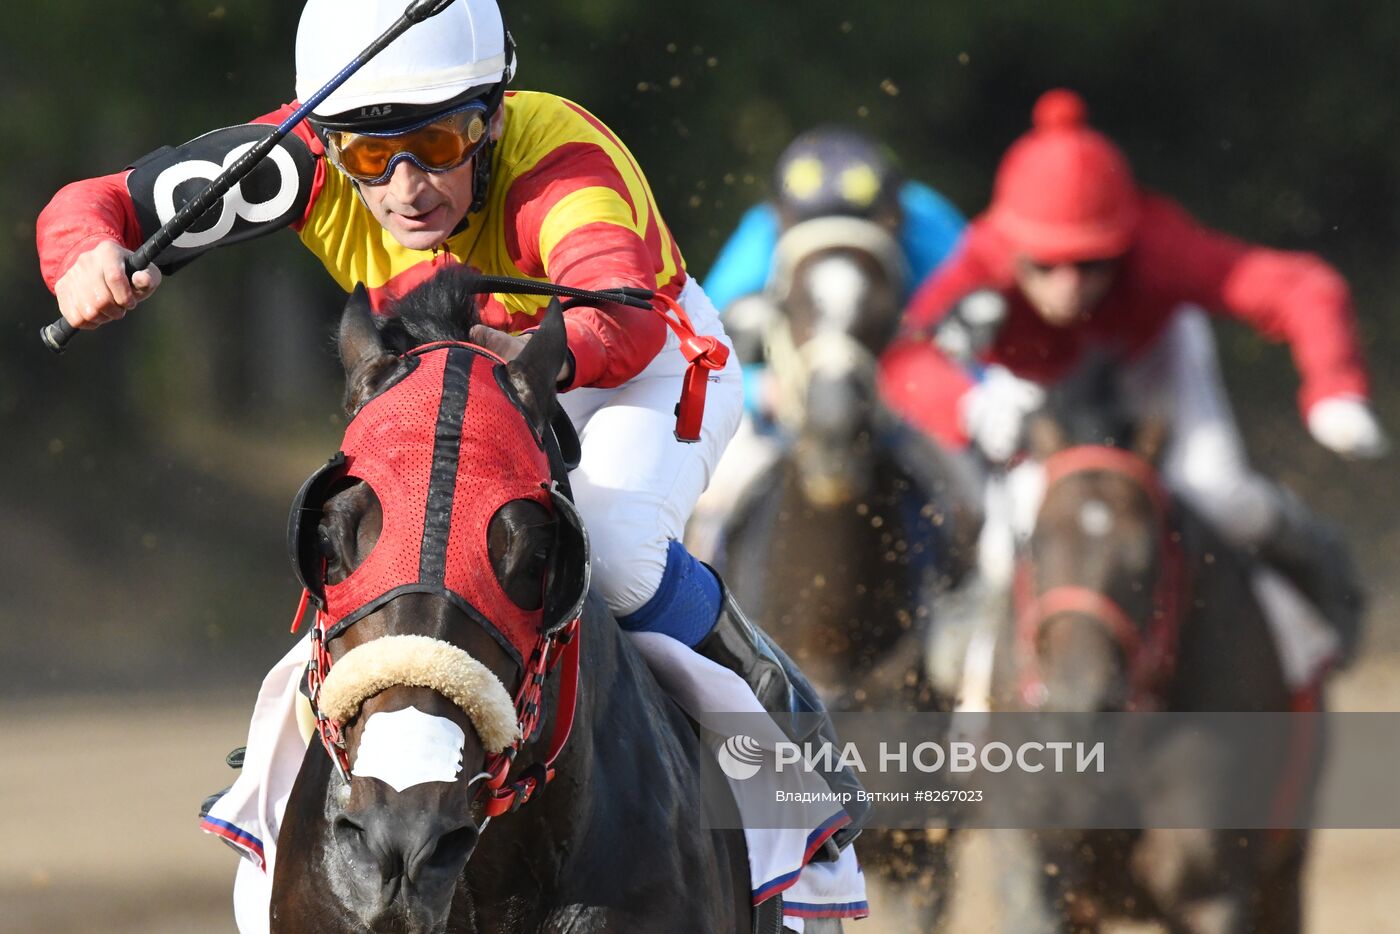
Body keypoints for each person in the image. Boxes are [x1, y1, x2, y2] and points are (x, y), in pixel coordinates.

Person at [36, 0, 867, 909]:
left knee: (617, 550)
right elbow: (97, 201)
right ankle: (268, 816)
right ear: (328, 140)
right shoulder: (294, 162)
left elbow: (619, 322)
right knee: (371, 559)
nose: (402, 187)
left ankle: (776, 710)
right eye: (366, 155)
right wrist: (85, 255)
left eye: (436, 147)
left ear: (494, 120)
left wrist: (511, 365)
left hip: (631, 368)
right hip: (462, 376)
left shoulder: (563, 161)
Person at [880, 88, 1387, 670]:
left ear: (1123, 242)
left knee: (1219, 495)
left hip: (1151, 360)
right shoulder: (983, 261)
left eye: (1091, 262)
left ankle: (1313, 578)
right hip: (1036, 387)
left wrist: (1334, 388)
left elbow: (1299, 287)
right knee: (1009, 538)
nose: (1068, 285)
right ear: (1012, 247)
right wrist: (966, 406)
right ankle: (968, 693)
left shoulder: (1157, 247)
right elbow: (906, 359)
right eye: (1045, 265)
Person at [703, 125, 965, 417]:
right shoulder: (764, 229)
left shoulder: (921, 219)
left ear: (895, 217)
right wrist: (758, 390)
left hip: (909, 393)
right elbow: (703, 345)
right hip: (791, 399)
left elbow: (979, 328)